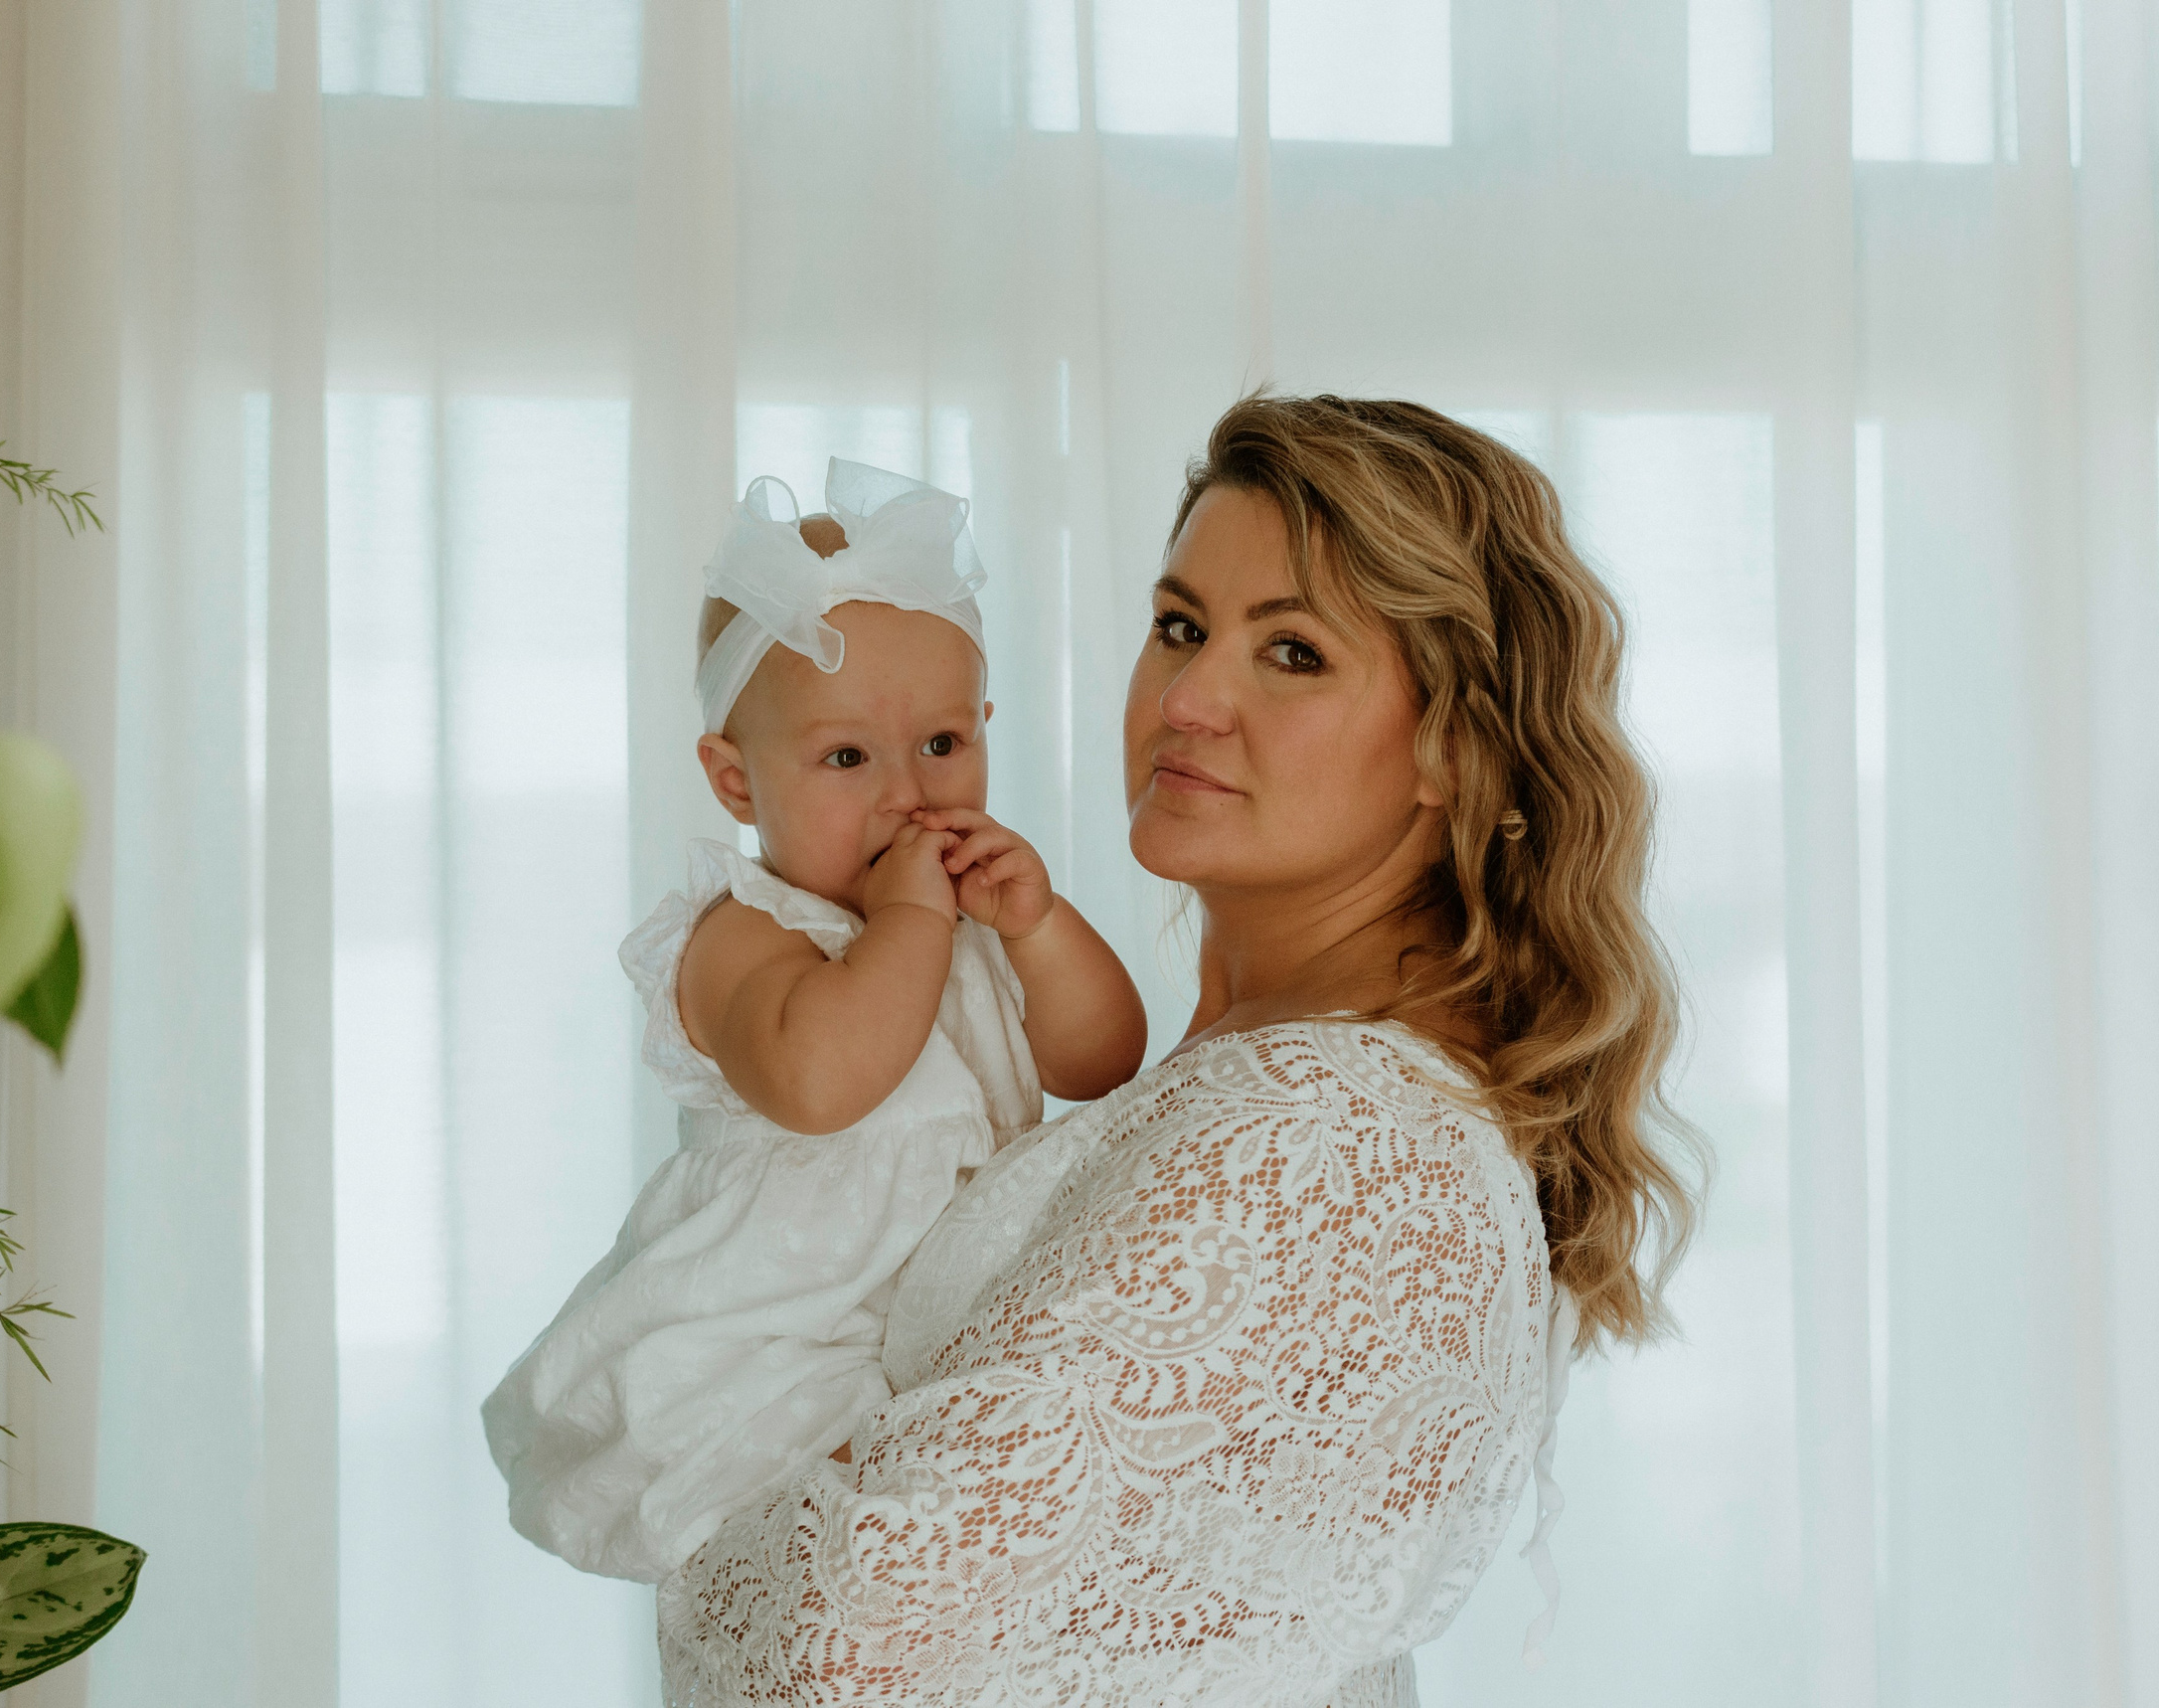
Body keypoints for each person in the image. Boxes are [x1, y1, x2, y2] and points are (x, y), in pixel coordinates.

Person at [658, 396, 1704, 1706]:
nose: (1192, 696)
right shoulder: (1288, 1081)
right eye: (1181, 627)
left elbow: (845, 1640)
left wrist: (697, 1541)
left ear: (1452, 742)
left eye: (1295, 652)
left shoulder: (1323, 1128)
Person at [481, 458, 1148, 1587]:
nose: (907, 792)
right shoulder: (736, 934)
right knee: (859, 1557)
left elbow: (1103, 1058)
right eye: (845, 757)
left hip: (942, 1320)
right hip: (776, 1335)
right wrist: (911, 921)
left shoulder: (968, 919)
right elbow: (823, 1080)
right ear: (736, 782)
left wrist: (1037, 925)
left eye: (942, 744)